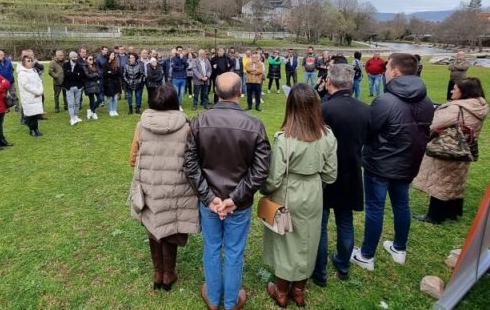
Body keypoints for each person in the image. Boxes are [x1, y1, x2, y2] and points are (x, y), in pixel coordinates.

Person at [184, 72, 270, 310]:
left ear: (216, 92)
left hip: (233, 202)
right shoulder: (201, 121)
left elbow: (260, 169)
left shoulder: (250, 124)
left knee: (217, 248)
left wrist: (232, 199)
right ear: (240, 93)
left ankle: (225, 300)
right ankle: (218, 299)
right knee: (227, 250)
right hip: (217, 200)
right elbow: (190, 164)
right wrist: (211, 198)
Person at [352, 53, 434, 270]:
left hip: (381, 164)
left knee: (376, 208)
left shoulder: (386, 101)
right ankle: (399, 248)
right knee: (401, 204)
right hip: (407, 163)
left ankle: (367, 255)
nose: (385, 71)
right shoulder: (426, 101)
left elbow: (368, 130)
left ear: (396, 72)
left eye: (387, 68)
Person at [262, 83, 337, 308]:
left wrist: (265, 190)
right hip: (313, 191)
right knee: (308, 240)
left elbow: (273, 177)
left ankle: (283, 291)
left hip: (288, 191)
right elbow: (331, 174)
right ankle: (298, 290)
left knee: (286, 242)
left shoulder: (284, 138)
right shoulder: (327, 135)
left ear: (290, 107)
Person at [128, 84, 199, 291]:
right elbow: (193, 158)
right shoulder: (187, 127)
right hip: (176, 187)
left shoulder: (142, 125)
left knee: (153, 227)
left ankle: (158, 271)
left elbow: (133, 157)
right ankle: (168, 273)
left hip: (150, 186)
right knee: (171, 228)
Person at [312, 65, 370, 287]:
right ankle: (341, 265)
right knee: (344, 221)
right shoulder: (364, 110)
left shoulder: (323, 109)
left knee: (323, 223)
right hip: (350, 172)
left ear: (329, 82)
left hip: (327, 173)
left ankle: (321, 270)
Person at [413, 78, 490, 223]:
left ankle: (435, 215)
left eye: (455, 89)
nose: (451, 91)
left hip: (447, 147)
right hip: (464, 147)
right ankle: (453, 212)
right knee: (456, 181)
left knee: (441, 181)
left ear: (464, 92)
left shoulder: (455, 108)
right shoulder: (480, 106)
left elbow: (432, 124)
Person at [17, 55, 45, 136]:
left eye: (31, 61)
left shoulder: (34, 71)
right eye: (28, 61)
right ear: (24, 63)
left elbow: (39, 81)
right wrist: (37, 92)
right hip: (29, 96)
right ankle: (32, 130)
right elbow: (26, 85)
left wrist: (40, 90)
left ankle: (36, 129)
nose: (30, 62)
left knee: (36, 114)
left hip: (37, 95)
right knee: (31, 115)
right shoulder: (22, 73)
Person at [62, 51, 85, 126]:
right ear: (70, 58)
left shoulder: (79, 65)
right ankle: (72, 118)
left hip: (78, 87)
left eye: (76, 57)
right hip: (69, 87)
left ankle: (76, 116)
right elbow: (66, 74)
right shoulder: (65, 65)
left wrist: (73, 74)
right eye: (73, 57)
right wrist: (76, 74)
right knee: (70, 103)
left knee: (77, 103)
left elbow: (81, 76)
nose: (75, 58)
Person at [82, 55, 102, 121]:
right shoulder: (84, 66)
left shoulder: (95, 65)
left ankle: (90, 110)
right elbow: (87, 75)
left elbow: (100, 73)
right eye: (90, 59)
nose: (91, 60)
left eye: (92, 59)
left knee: (100, 99)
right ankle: (93, 113)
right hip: (89, 85)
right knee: (92, 100)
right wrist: (95, 74)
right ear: (86, 60)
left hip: (96, 85)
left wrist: (95, 75)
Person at [103, 51, 122, 117]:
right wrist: (111, 72)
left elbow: (118, 73)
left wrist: (111, 72)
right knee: (110, 98)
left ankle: (114, 110)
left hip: (116, 83)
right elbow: (105, 74)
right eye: (112, 55)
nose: (113, 56)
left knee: (115, 98)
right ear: (108, 55)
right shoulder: (105, 64)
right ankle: (110, 110)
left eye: (114, 55)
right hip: (108, 83)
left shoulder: (116, 63)